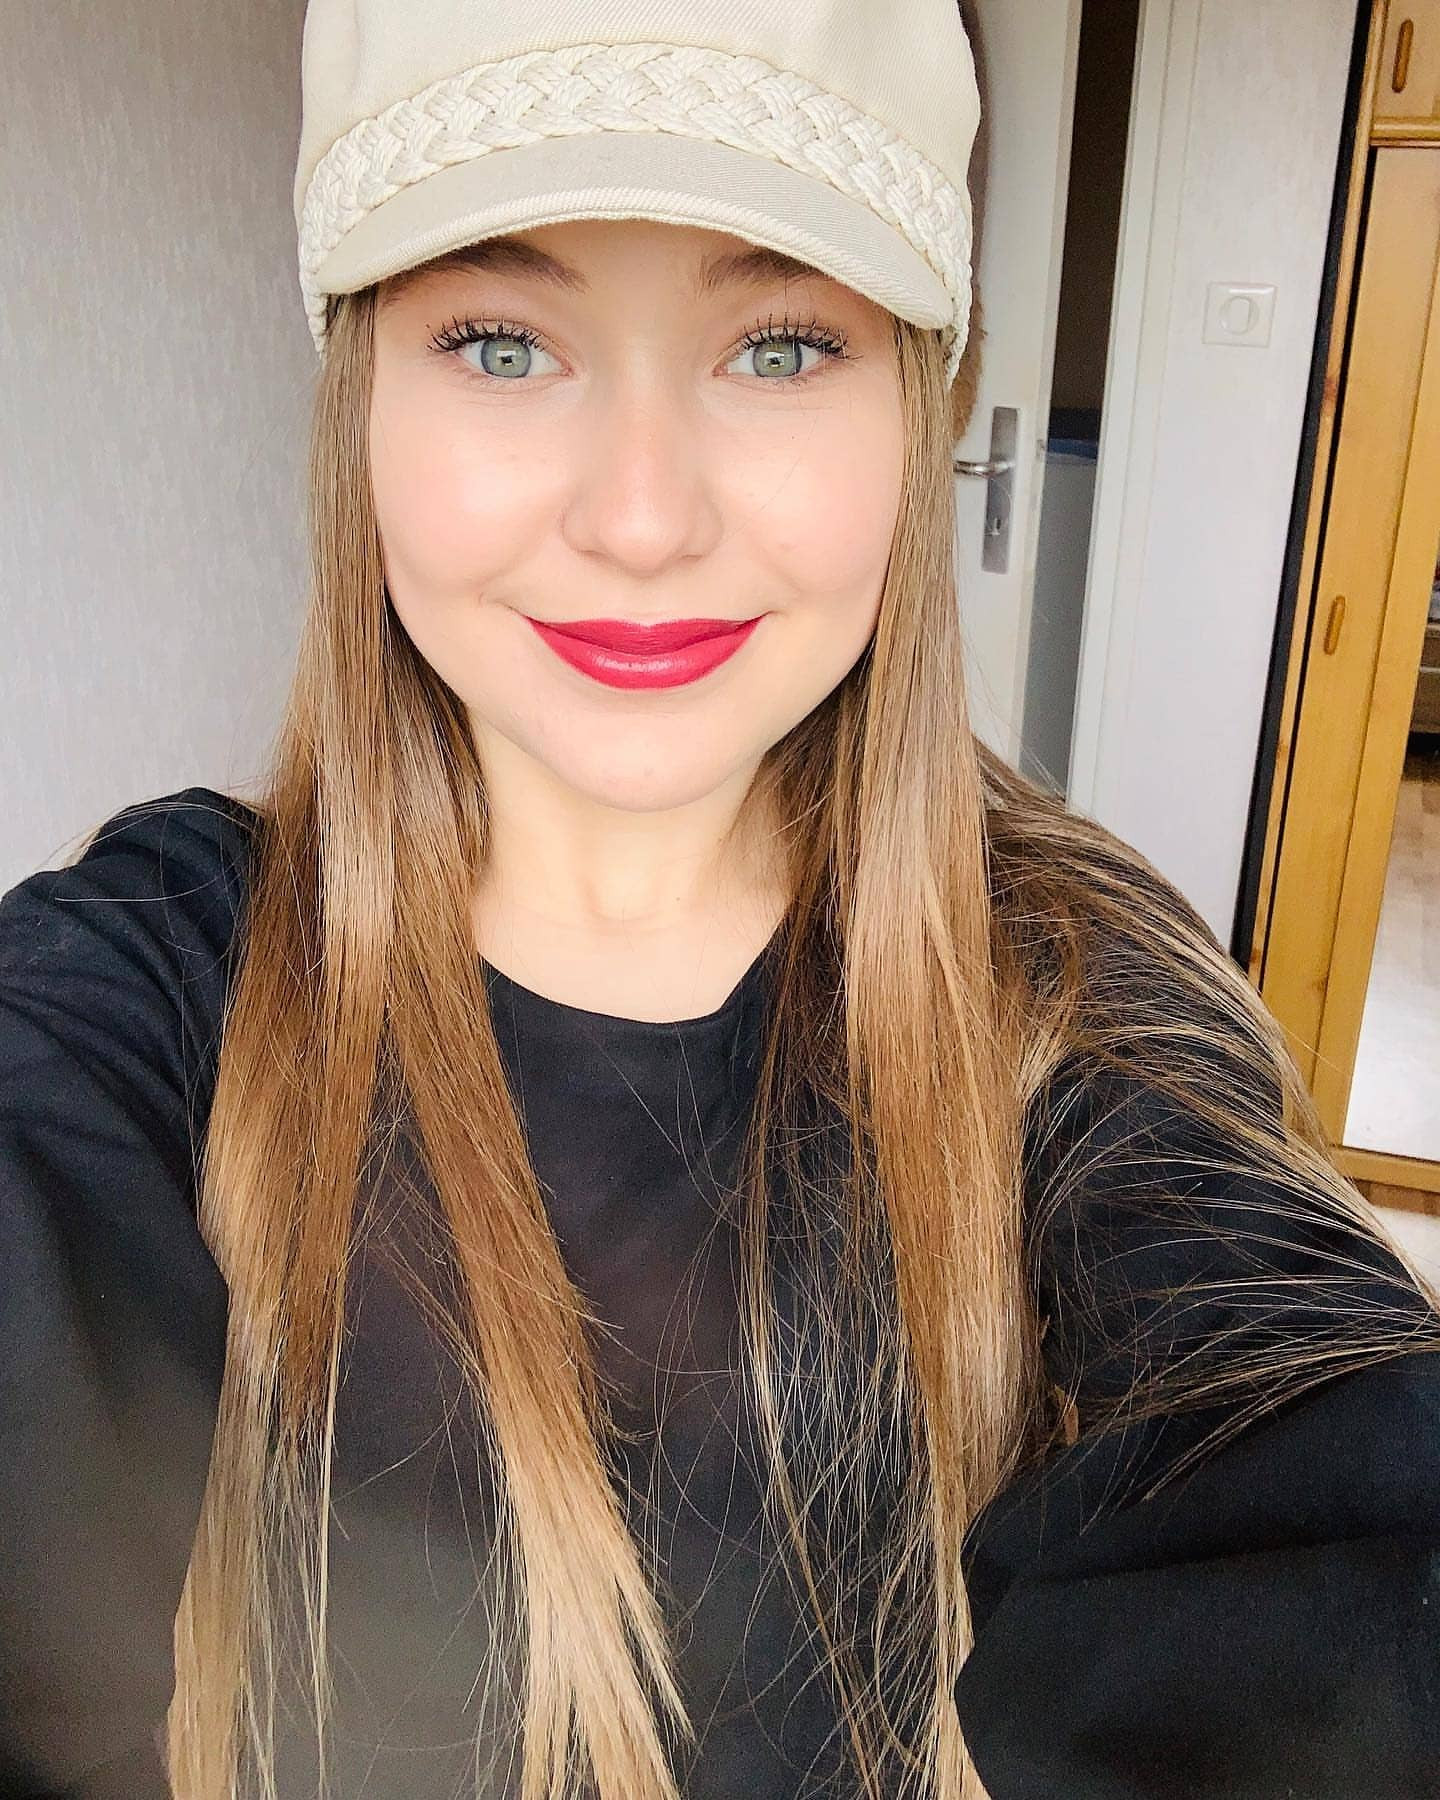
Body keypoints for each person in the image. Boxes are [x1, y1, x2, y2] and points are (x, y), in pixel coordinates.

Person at [3, 2, 1439, 1797]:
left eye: (779, 345)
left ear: (918, 407)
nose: (642, 518)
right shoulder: (151, 976)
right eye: (502, 343)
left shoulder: (1077, 996)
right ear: (359, 399)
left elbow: (1325, 1481)